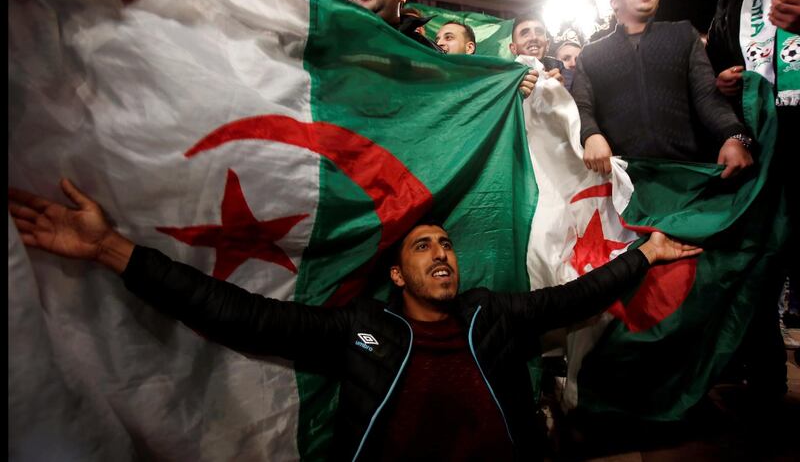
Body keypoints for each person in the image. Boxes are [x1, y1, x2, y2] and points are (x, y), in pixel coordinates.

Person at [9, 179, 701, 461]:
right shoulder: (360, 329)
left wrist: (646, 253)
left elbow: (570, 299)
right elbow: (237, 312)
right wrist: (109, 247)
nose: (441, 253)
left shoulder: (492, 314)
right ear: (397, 273)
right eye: (423, 245)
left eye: (447, 243)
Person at [706, 0, 800, 402]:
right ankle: (767, 390)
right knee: (757, 273)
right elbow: (712, 70)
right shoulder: (733, 2)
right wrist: (720, 82)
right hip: (758, 155)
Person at [573, 0, 754, 176]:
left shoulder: (683, 35)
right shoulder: (591, 54)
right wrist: (590, 135)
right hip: (619, 181)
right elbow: (581, 106)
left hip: (684, 175)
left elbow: (707, 95)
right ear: (613, 2)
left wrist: (733, 137)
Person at [509, 14, 566, 88]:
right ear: (513, 48)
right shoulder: (505, 83)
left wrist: (562, 93)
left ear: (547, 44)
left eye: (539, 32)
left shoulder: (562, 71)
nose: (534, 37)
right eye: (525, 34)